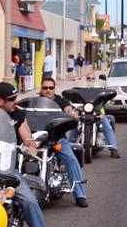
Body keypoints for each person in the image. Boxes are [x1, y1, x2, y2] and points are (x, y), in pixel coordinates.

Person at [0, 82, 55, 227]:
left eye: (16, 98)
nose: (15, 102)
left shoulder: (17, 114)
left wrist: (31, 146)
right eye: (11, 99)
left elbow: (26, 136)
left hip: (9, 168)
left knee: (29, 201)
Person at [36, 76, 91, 206]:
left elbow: (68, 109)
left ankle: (80, 195)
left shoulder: (61, 101)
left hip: (57, 139)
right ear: (41, 89)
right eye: (45, 88)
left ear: (54, 89)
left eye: (51, 88)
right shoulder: (35, 101)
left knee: (71, 160)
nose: (48, 90)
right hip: (37, 139)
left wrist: (71, 114)